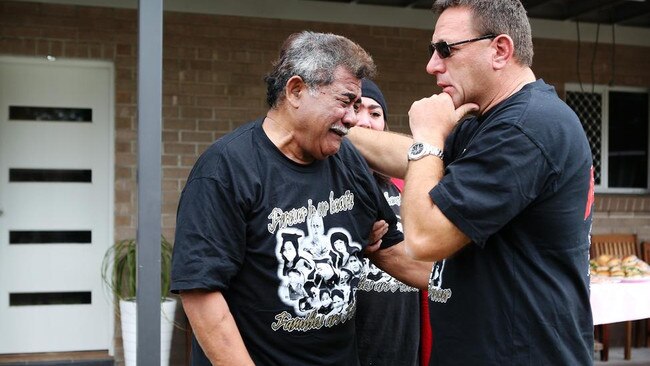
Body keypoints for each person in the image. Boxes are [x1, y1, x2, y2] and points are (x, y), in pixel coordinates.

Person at [349, 1, 595, 365]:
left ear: (499, 50)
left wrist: (429, 134)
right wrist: (336, 130)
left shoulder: (525, 128)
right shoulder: (490, 121)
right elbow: (414, 158)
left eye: (446, 49)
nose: (432, 65)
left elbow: (425, 239)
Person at [170, 30, 429, 366]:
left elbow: (391, 251)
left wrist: (475, 281)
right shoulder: (227, 168)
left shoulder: (347, 160)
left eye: (356, 105)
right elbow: (202, 295)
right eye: (345, 101)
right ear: (295, 90)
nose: (353, 118)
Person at [354, 78, 426, 366]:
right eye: (356, 108)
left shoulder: (405, 186)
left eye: (375, 113)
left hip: (402, 342)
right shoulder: (325, 185)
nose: (365, 121)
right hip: (351, 345)